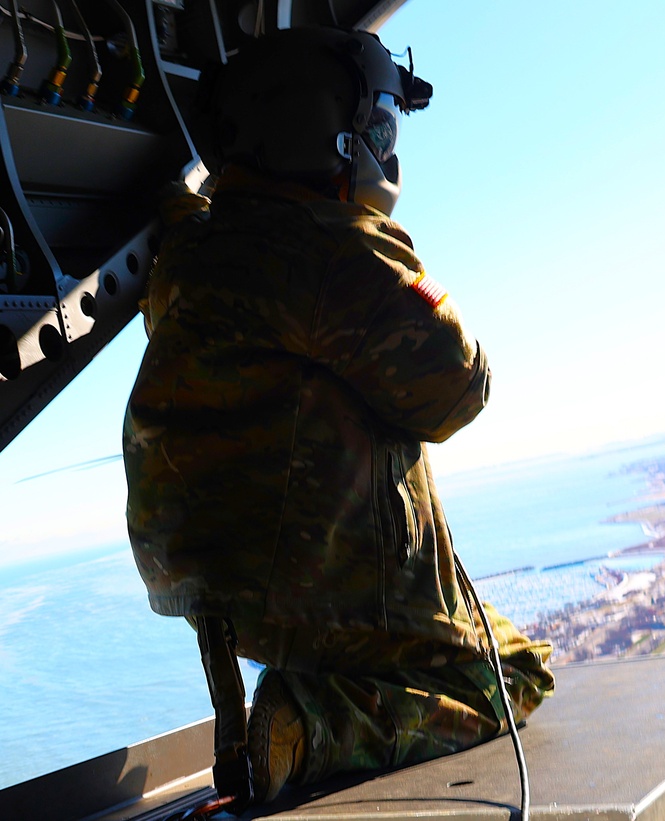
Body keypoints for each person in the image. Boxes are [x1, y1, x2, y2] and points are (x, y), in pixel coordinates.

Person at [122, 26, 554, 807]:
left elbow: (187, 220)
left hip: (212, 587)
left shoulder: (192, 247)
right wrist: (377, 238)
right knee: (513, 671)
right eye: (380, 129)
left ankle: (259, 726)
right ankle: (315, 723)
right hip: (320, 588)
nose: (387, 153)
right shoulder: (334, 252)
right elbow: (460, 387)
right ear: (332, 135)